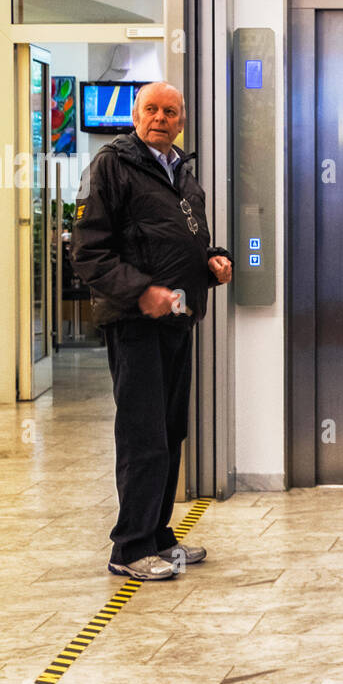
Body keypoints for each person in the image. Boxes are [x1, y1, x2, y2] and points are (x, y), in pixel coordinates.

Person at [70, 81, 233, 580]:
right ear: (135, 116)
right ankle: (130, 546)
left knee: (169, 431)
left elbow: (184, 239)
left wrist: (212, 260)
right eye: (151, 109)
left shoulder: (182, 170)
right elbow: (89, 252)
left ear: (181, 121)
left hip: (178, 318)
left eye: (170, 111)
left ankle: (159, 535)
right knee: (143, 434)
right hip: (135, 322)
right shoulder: (111, 165)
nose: (161, 117)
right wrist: (142, 291)